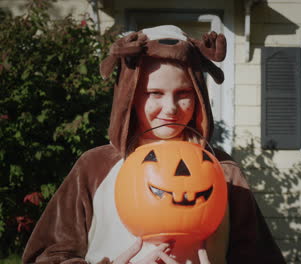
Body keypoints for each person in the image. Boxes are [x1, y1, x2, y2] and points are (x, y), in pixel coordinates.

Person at [22, 25, 286, 264]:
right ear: (131, 96)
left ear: (199, 97)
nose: (170, 109)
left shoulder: (224, 170)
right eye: (154, 93)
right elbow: (46, 257)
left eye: (183, 94)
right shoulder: (95, 167)